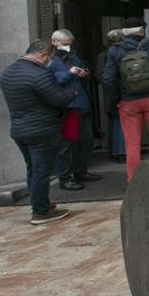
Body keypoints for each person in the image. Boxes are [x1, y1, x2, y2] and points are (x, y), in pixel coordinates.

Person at [1, 38, 77, 225]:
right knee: (42, 171)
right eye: (48, 58)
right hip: (41, 130)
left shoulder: (9, 72)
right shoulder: (38, 74)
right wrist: (73, 93)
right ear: (42, 54)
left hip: (19, 129)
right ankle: (40, 211)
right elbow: (58, 99)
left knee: (32, 169)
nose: (48, 61)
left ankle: (39, 203)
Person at [102, 16, 149, 181]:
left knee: (132, 143)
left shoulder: (115, 50)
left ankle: (134, 180)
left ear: (125, 32)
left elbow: (108, 79)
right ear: (142, 30)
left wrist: (117, 98)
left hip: (128, 101)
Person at [47, 29, 101, 190]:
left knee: (86, 140)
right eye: (64, 44)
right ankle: (65, 177)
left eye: (69, 44)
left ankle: (80, 171)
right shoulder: (51, 60)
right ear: (55, 42)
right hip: (68, 106)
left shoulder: (75, 57)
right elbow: (53, 82)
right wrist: (70, 73)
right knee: (68, 143)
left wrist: (84, 74)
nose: (67, 47)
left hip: (81, 104)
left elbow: (83, 76)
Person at [95, 29, 126, 162]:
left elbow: (100, 74)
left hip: (110, 93)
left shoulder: (103, 54)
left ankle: (115, 150)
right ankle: (120, 152)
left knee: (115, 122)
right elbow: (102, 76)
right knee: (118, 122)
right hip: (115, 92)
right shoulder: (110, 54)